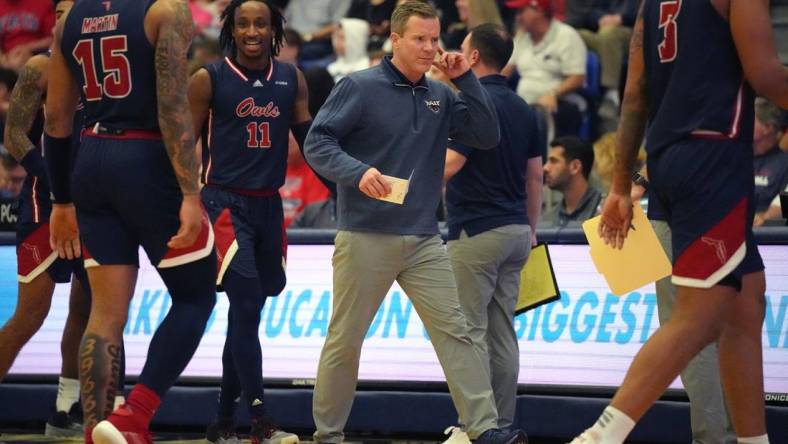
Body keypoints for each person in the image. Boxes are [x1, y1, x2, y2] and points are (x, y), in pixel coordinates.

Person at [304, 2, 527, 444]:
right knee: (345, 341)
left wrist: (464, 78)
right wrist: (357, 171)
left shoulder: (441, 95)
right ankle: (328, 435)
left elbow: (487, 135)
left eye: (434, 39)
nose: (429, 48)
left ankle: (484, 429)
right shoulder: (358, 87)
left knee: (457, 333)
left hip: (425, 238)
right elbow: (317, 141)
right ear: (396, 39)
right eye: (420, 39)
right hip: (366, 234)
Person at [571, 0, 788, 443]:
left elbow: (634, 95)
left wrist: (617, 186)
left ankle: (753, 441)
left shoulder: (653, 4)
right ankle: (599, 437)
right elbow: (765, 73)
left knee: (745, 305)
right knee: (700, 317)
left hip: (667, 159)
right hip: (714, 154)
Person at [45, 0, 218, 442]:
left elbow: (56, 117)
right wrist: (190, 192)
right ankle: (134, 415)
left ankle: (97, 429)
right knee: (196, 294)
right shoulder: (165, 10)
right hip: (145, 159)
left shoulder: (70, 20)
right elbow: (173, 107)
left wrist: (61, 201)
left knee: (104, 313)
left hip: (89, 159)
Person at [187, 1, 310, 442]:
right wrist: (183, 202)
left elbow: (310, 143)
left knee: (249, 312)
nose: (252, 30)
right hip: (224, 205)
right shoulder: (209, 78)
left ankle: (222, 421)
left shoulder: (291, 78)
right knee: (244, 306)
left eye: (260, 22)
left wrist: (347, 185)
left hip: (268, 207)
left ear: (274, 27)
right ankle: (260, 418)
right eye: (243, 23)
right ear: (231, 29)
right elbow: (183, 147)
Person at [0, 1, 95, 438]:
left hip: (97, 201)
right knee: (30, 315)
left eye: (69, 13)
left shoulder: (105, 71)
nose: (61, 20)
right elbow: (14, 134)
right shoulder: (39, 67)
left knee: (87, 311)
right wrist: (55, 179)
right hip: (46, 204)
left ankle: (65, 409)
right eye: (55, 12)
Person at [444, 23, 543, 431]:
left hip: (476, 231)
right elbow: (534, 176)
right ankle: (500, 426)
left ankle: (476, 429)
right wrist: (531, 229)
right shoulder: (525, 107)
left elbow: (450, 165)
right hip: (517, 231)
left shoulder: (471, 103)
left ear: (473, 58)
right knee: (503, 335)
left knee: (469, 335)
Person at [503, 0, 587, 139]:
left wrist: (553, 93)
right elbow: (505, 71)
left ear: (539, 11)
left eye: (521, 11)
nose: (518, 17)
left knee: (543, 114)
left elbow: (578, 77)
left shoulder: (566, 35)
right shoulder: (522, 37)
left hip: (560, 102)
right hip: (525, 103)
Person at [540, 136, 602, 227]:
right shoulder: (547, 220)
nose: (545, 168)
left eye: (553, 161)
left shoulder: (606, 213)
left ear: (575, 167)